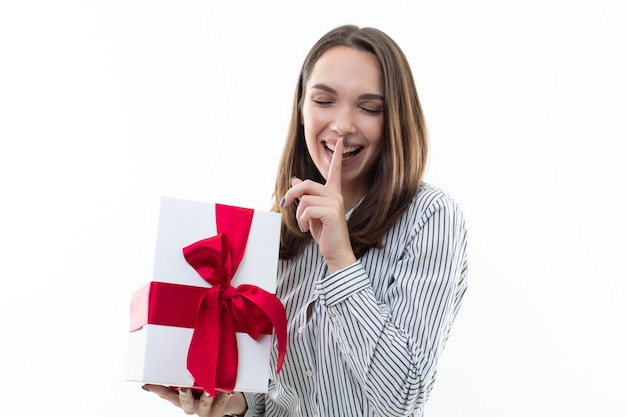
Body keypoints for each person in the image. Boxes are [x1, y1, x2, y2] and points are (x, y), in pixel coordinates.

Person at [143, 24, 468, 417]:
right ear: (301, 109)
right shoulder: (280, 228)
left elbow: (404, 396)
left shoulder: (430, 216)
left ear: (395, 120)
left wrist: (340, 259)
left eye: (369, 108)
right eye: (324, 101)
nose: (343, 125)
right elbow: (274, 395)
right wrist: (231, 404)